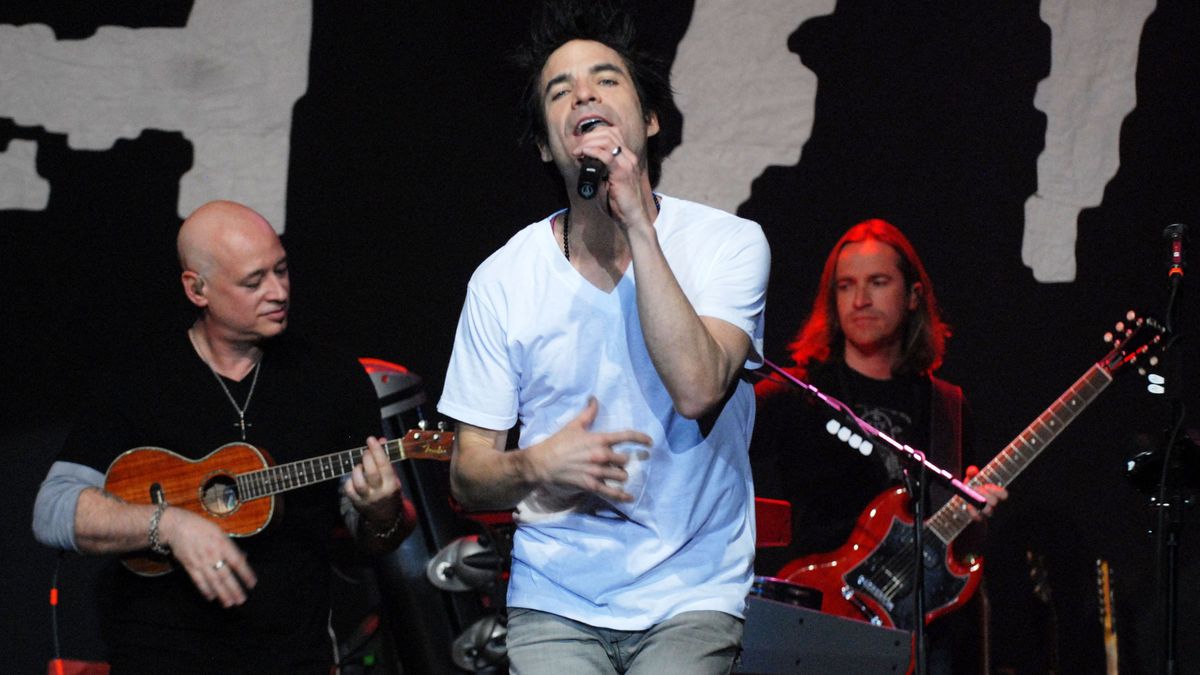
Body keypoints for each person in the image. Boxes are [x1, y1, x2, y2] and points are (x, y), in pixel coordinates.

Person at [437, 3, 770, 674]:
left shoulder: (728, 246)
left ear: (649, 120)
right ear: (544, 144)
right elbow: (468, 476)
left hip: (691, 592)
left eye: (605, 79)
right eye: (560, 90)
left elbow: (698, 388)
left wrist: (638, 225)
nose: (583, 93)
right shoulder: (503, 280)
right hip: (555, 597)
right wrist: (537, 465)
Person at [31, 200, 416, 674]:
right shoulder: (138, 380)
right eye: (253, 282)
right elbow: (52, 509)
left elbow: (374, 539)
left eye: (282, 270)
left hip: (295, 658)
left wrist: (382, 511)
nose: (278, 292)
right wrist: (169, 525)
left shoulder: (333, 378)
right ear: (198, 290)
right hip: (159, 659)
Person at [751, 218, 1007, 673]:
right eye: (846, 286)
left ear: (913, 297)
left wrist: (975, 515)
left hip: (918, 636)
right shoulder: (794, 396)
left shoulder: (947, 407)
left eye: (878, 282)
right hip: (814, 623)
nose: (861, 299)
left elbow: (958, 546)